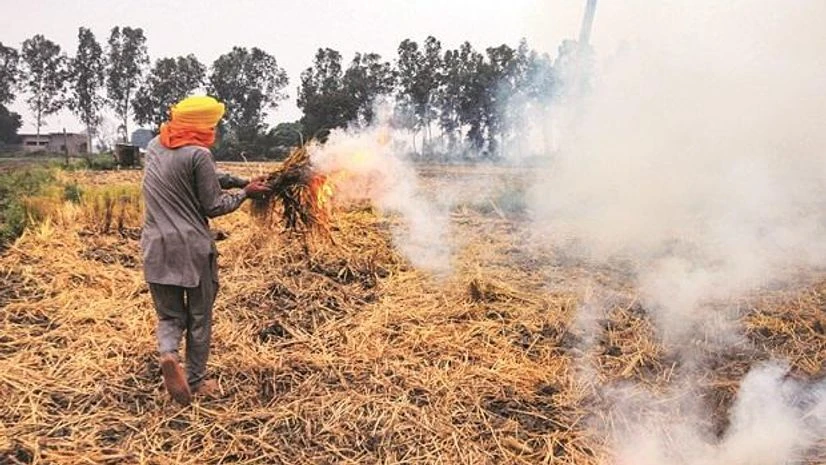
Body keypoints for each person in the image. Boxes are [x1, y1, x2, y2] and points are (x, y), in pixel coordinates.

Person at [140, 95, 269, 406]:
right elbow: (213, 204)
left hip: (154, 248)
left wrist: (239, 179)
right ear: (200, 125)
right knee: (199, 318)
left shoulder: (157, 145)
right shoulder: (198, 153)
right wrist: (245, 193)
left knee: (169, 315)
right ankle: (196, 381)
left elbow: (206, 174)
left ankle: (169, 355)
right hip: (191, 251)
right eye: (212, 125)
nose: (215, 130)